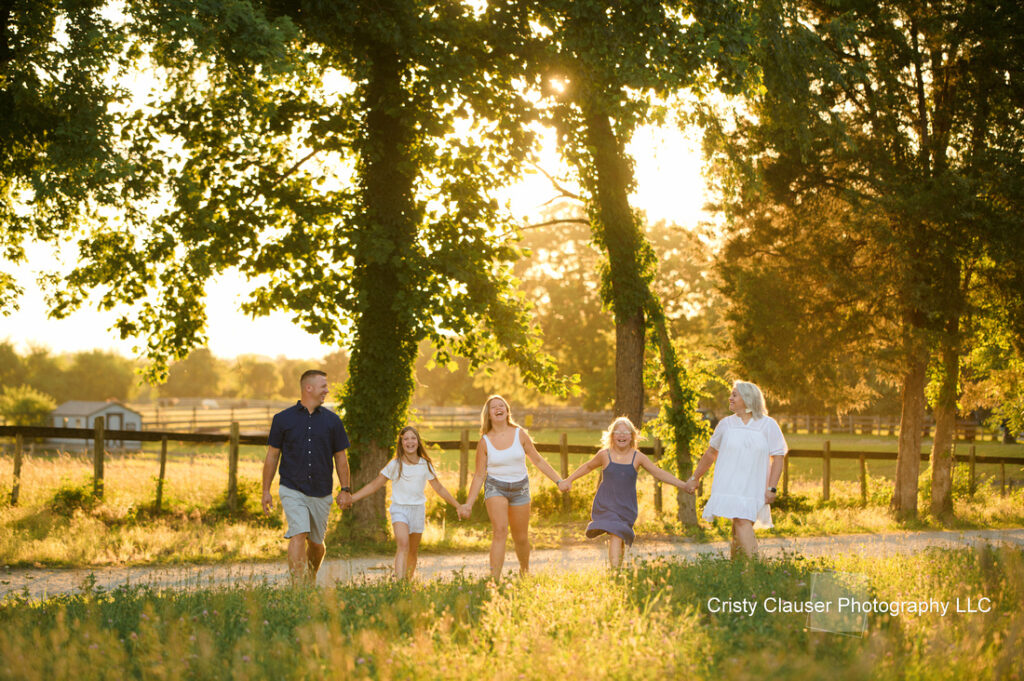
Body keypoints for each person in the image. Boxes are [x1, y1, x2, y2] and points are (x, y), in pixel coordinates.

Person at [559, 416, 691, 568]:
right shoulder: (605, 455)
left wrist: (683, 485)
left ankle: (618, 571)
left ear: (632, 436)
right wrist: (569, 480)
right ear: (612, 436)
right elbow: (588, 467)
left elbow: (658, 473)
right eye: (617, 432)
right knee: (616, 535)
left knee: (619, 536)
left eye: (626, 432)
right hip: (606, 504)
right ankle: (615, 573)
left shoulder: (638, 457)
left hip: (626, 506)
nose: (621, 435)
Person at [261, 369, 352, 582]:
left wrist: (345, 489)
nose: (327, 391)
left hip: (321, 491)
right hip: (292, 488)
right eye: (323, 386)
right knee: (298, 533)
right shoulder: (282, 419)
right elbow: (272, 456)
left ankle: (310, 578)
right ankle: (297, 588)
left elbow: (341, 458)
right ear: (308, 388)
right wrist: (266, 491)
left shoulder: (333, 421)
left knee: (317, 545)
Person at [460, 395, 562, 580]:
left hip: (520, 488)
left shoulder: (520, 433)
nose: (498, 408)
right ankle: (494, 580)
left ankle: (525, 571)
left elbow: (537, 459)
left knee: (520, 537)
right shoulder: (485, 441)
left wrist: (559, 481)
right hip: (495, 487)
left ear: (507, 411)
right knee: (500, 530)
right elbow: (479, 475)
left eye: (502, 406)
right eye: (494, 407)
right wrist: (468, 503)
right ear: (489, 414)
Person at [681, 380, 787, 558]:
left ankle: (753, 570)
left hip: (754, 486)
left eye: (734, 395)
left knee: (741, 524)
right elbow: (710, 454)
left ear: (747, 398)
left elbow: (778, 457)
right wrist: (695, 477)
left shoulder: (768, 425)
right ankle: (742, 572)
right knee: (740, 522)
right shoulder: (726, 424)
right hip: (729, 484)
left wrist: (772, 487)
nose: (730, 398)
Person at [346, 426, 464, 580]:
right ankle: (399, 583)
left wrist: (457, 505)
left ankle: (407, 583)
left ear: (418, 441)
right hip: (399, 509)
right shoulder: (395, 465)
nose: (410, 442)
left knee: (412, 551)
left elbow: (439, 488)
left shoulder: (425, 464)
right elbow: (375, 485)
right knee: (403, 544)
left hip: (417, 511)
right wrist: (352, 498)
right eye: (406, 439)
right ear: (401, 444)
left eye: (413, 438)